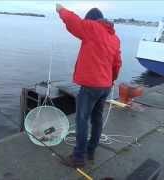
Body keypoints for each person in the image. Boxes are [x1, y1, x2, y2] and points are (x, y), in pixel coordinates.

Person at [56, 4, 122, 167]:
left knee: (82, 119)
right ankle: (90, 152)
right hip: (105, 86)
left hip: (91, 86)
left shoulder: (92, 28)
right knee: (97, 119)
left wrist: (61, 10)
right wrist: (111, 80)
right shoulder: (114, 38)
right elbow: (117, 63)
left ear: (91, 20)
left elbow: (74, 22)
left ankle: (78, 157)